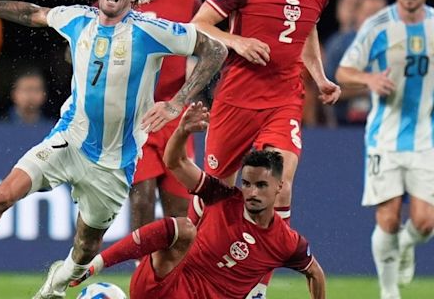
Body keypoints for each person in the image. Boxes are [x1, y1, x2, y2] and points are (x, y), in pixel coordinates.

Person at [0, 0, 227, 299]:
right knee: (0, 197)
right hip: (68, 140)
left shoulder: (152, 29)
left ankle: (54, 286)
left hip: (114, 163)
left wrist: (177, 102)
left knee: (85, 248)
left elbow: (215, 49)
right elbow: (30, 12)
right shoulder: (76, 18)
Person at [69, 102, 326, 299]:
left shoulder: (287, 242)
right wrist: (181, 131)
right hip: (165, 287)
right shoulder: (222, 197)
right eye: (246, 184)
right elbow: (176, 162)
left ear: (279, 188)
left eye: (261, 185)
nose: (252, 192)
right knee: (183, 229)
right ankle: (96, 263)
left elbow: (315, 273)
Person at [192, 0, 340, 221]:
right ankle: (191, 254)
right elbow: (198, 24)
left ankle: (261, 268)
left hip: (283, 100)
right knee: (216, 195)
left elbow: (306, 30)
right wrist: (237, 41)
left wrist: (320, 77)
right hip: (236, 100)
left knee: (279, 186)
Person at [336, 0, 434, 299]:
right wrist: (369, 79)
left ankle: (407, 246)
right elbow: (343, 72)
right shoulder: (377, 26)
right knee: (388, 218)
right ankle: (389, 292)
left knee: (424, 223)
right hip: (384, 138)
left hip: (426, 139)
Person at [127, 0, 202, 232]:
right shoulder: (116, 3)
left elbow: (213, 52)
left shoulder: (189, 4)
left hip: (175, 114)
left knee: (179, 213)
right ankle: (142, 276)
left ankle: (174, 278)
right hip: (136, 117)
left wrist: (187, 96)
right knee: (141, 201)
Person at [325, 0, 388, 125]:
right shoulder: (339, 45)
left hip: (384, 126)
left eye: (380, 14)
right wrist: (366, 87)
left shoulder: (396, 45)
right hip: (346, 126)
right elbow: (326, 92)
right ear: (358, 15)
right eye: (369, 14)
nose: (375, 20)